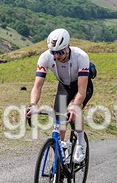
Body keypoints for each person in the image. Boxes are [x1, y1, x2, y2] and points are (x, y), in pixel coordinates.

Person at [26, 28, 93, 163]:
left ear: (68, 46)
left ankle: (81, 143)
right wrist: (33, 105)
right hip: (64, 87)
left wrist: (74, 107)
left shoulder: (81, 57)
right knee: (59, 124)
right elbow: (37, 86)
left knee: (74, 110)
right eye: (53, 52)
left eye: (60, 52)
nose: (57, 56)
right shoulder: (45, 57)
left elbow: (81, 91)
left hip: (81, 87)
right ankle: (56, 166)